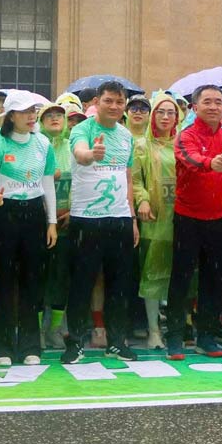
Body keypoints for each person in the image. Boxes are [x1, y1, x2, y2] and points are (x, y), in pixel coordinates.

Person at [60, 81, 139, 364]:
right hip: (86, 220)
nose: (115, 107)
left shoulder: (126, 136)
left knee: (120, 285)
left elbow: (127, 178)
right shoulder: (83, 129)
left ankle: (117, 341)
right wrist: (91, 155)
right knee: (82, 283)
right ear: (97, 101)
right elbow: (80, 153)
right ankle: (76, 342)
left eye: (120, 102)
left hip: (118, 219)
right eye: (109, 101)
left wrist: (131, 218)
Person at [164, 84, 222, 361]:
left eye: (218, 102)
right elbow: (190, 159)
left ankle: (206, 336)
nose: (213, 107)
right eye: (207, 102)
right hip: (188, 218)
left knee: (214, 282)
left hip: (220, 220)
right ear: (195, 107)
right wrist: (211, 163)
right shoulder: (186, 136)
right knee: (181, 279)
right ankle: (174, 336)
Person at [0, 91, 57, 367]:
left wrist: (51, 222)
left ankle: (29, 346)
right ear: (11, 115)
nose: (31, 116)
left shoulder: (42, 143)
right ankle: (0, 346)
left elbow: (47, 183)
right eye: (25, 111)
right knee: (4, 281)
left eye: (33, 111)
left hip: (34, 214)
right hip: (5, 213)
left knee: (31, 282)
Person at [132, 93, 180, 349]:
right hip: (153, 218)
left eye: (170, 112)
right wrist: (142, 200)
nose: (165, 117)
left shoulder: (184, 144)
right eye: (160, 112)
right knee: (152, 273)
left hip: (181, 217)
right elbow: (135, 179)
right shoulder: (141, 146)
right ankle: (153, 331)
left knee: (180, 274)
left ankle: (176, 327)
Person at [39, 101, 74, 349]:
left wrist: (73, 210)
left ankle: (55, 329)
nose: (54, 119)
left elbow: (83, 183)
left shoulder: (73, 148)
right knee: (39, 278)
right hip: (38, 224)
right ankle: (37, 330)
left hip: (68, 224)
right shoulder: (35, 147)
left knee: (62, 277)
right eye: (49, 115)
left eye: (59, 115)